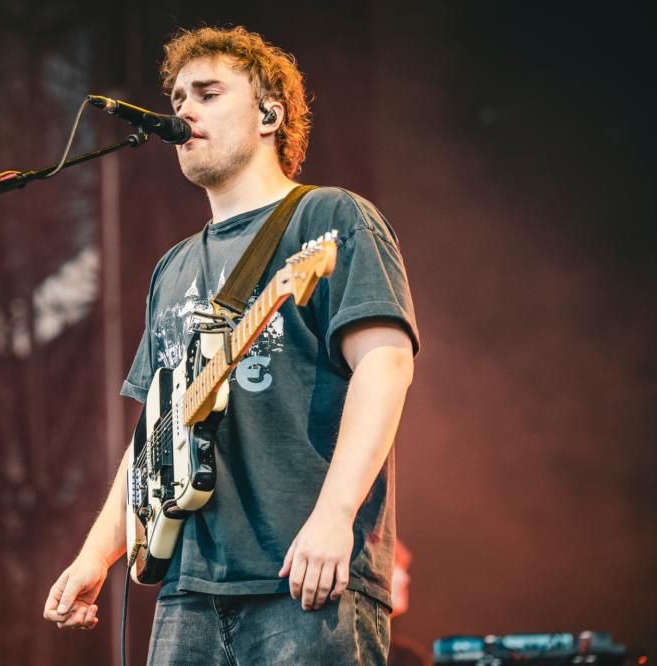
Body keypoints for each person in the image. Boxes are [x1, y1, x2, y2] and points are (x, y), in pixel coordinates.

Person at [43, 25, 419, 664]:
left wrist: (335, 515)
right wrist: (95, 555)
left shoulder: (329, 218)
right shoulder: (173, 267)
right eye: (178, 97)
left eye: (208, 93)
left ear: (269, 114)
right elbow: (153, 435)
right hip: (186, 590)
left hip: (304, 570)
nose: (183, 110)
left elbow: (385, 366)